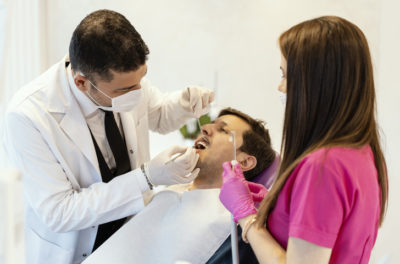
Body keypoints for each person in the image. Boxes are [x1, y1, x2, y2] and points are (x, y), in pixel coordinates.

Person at [2, 9, 214, 264]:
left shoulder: (123, 79)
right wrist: (147, 177)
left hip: (130, 240)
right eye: (126, 89)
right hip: (75, 251)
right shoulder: (28, 116)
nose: (138, 92)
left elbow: (156, 114)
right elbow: (59, 212)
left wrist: (183, 103)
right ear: (82, 82)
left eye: (141, 80)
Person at [219, 16, 388, 264]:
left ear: (314, 84)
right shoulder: (365, 152)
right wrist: (279, 206)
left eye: (285, 75)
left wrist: (246, 216)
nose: (280, 87)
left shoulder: (323, 167)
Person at [82, 108, 277, 264]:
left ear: (244, 162)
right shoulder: (168, 192)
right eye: (211, 124)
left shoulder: (233, 226)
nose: (206, 128)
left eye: (223, 130)